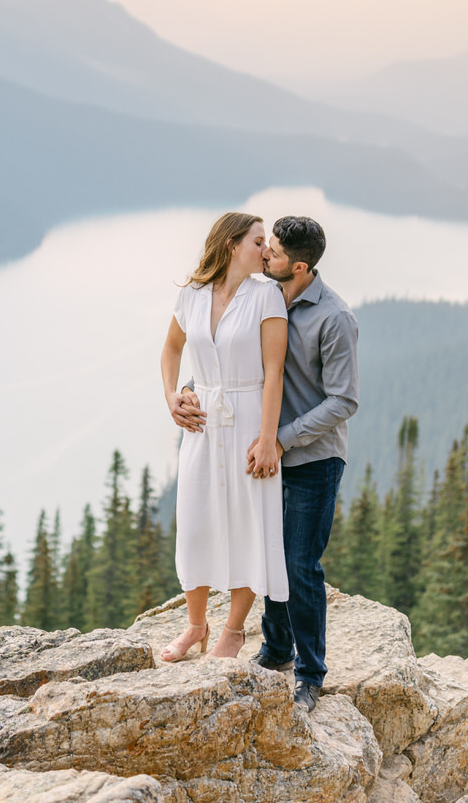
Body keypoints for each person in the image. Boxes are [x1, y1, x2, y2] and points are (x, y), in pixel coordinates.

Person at [172, 215, 357, 713]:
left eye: (272, 252)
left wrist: (278, 438)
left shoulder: (333, 318)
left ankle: (310, 674)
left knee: (298, 564)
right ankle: (275, 649)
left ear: (297, 267)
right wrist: (190, 390)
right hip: (258, 448)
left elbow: (343, 401)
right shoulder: (260, 297)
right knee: (265, 549)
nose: (265, 255)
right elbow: (226, 358)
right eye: (263, 245)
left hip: (312, 455)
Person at [158, 212, 290, 662]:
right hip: (202, 423)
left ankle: (232, 632)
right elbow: (171, 349)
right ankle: (196, 627)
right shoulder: (193, 295)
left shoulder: (267, 296)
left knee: (245, 524)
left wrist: (269, 439)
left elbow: (275, 373)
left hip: (250, 419)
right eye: (258, 242)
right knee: (195, 525)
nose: (267, 251)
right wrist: (173, 395)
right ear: (232, 245)